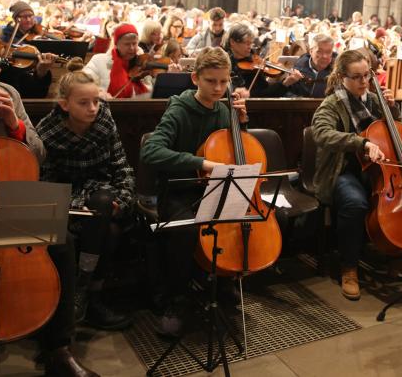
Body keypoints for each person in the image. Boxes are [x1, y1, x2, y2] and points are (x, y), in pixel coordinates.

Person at [0, 32, 98, 376]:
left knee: (62, 240)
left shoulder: (8, 94)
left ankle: (58, 349)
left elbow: (38, 153)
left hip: (0, 200)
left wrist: (14, 125)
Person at [140, 47, 248, 334]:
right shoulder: (178, 109)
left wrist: (241, 124)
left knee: (237, 219)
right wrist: (200, 162)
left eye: (224, 82)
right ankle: (178, 297)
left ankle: (223, 284)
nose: (218, 88)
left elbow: (235, 154)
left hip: (212, 189)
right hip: (179, 190)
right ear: (195, 78)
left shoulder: (225, 111)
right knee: (185, 230)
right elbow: (151, 152)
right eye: (211, 81)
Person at [311, 49, 402, 300]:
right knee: (355, 203)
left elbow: (393, 132)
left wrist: (392, 110)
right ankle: (349, 266)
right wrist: (361, 143)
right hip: (343, 170)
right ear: (342, 77)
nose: (363, 82)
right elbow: (322, 133)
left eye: (367, 76)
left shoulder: (373, 99)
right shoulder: (332, 104)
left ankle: (398, 257)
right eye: (357, 77)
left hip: (379, 170)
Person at [36, 62, 133, 331]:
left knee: (104, 203)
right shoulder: (47, 132)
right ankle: (90, 296)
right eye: (83, 103)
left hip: (100, 198)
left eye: (96, 101)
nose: (93, 108)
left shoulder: (104, 120)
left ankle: (83, 289)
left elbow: (121, 165)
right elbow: (45, 182)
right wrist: (69, 207)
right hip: (67, 205)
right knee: (109, 232)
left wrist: (123, 200)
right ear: (65, 104)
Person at [0, 1, 59, 98]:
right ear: (15, 19)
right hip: (16, 78)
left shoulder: (39, 33)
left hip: (36, 78)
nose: (28, 19)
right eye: (24, 16)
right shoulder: (7, 35)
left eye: (31, 16)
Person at [84, 23, 153, 98]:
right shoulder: (98, 60)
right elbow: (83, 83)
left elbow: (149, 89)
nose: (132, 48)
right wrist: (99, 93)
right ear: (116, 44)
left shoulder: (142, 64)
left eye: (134, 43)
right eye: (127, 44)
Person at [223, 22, 284, 98]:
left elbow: (265, 93)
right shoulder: (224, 64)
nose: (250, 47)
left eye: (251, 43)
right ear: (232, 42)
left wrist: (284, 84)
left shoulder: (253, 62)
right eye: (247, 43)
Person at [283, 33, 336, 97]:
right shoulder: (299, 68)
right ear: (311, 51)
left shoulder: (338, 71)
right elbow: (287, 93)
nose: (324, 56)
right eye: (319, 51)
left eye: (328, 52)